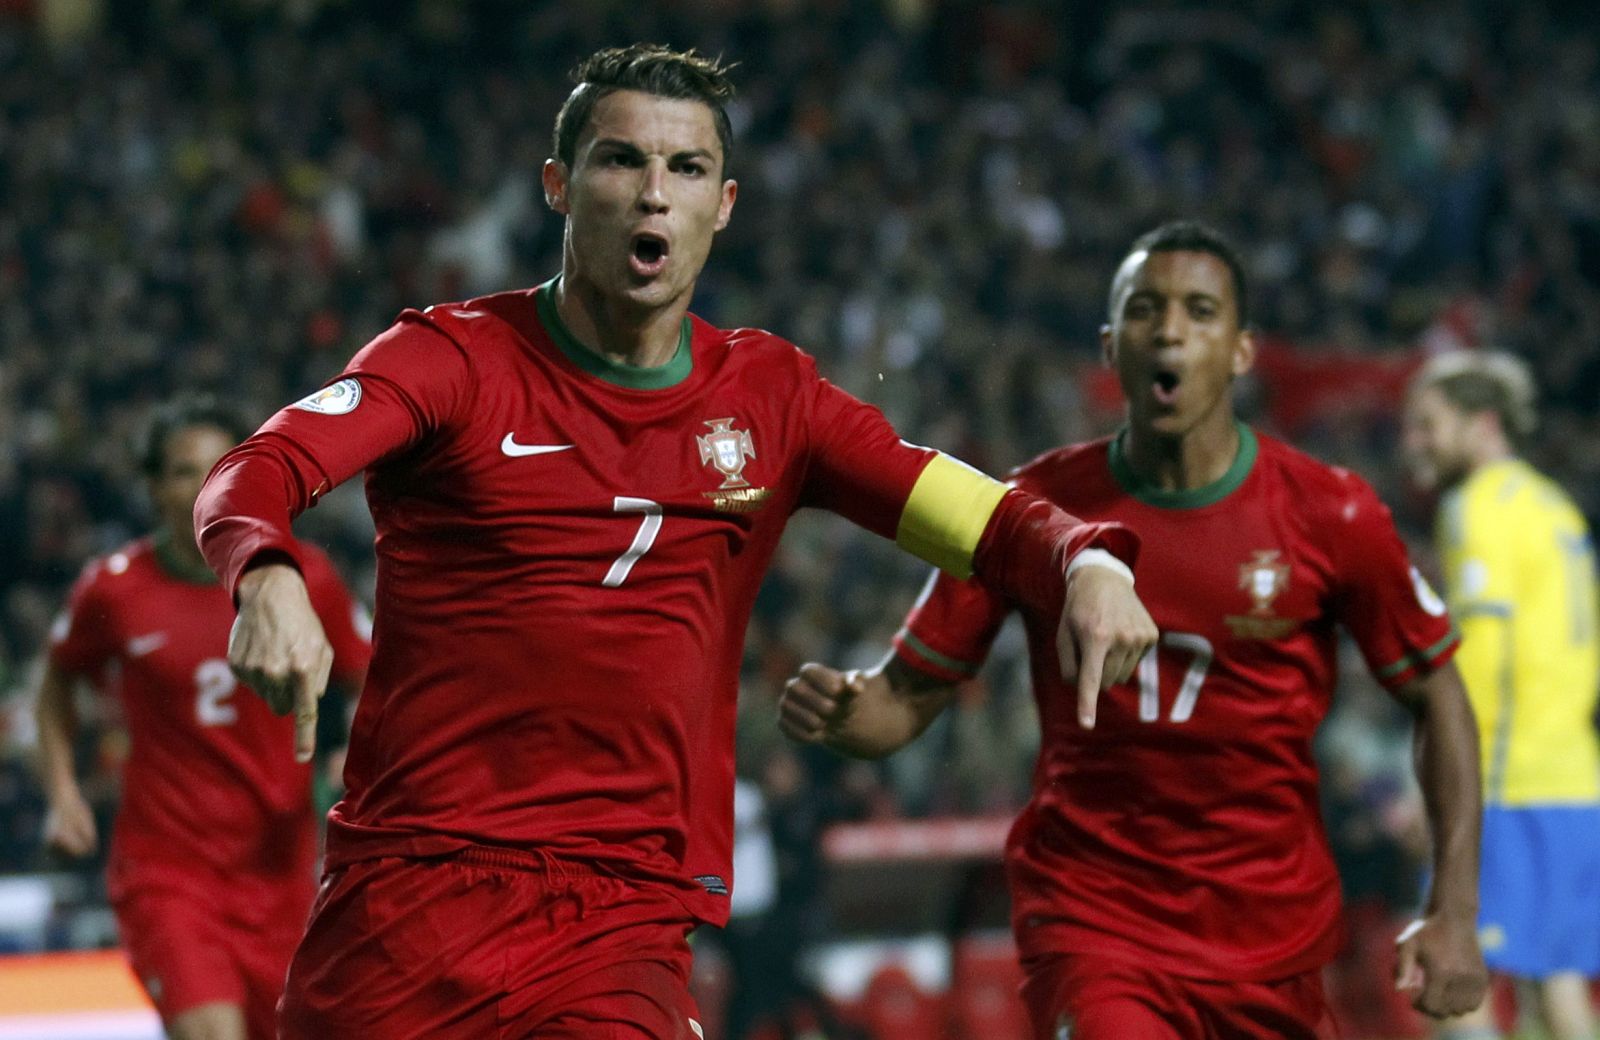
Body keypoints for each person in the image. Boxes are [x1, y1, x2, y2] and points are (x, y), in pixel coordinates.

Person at [191, 44, 1157, 1039]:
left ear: (723, 204)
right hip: (405, 905)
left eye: (686, 168)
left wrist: (1083, 559)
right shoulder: (453, 359)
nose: (655, 192)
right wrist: (266, 573)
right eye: (621, 160)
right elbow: (255, 469)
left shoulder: (773, 399)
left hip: (619, 920)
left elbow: (981, 516)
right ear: (559, 186)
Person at [780, 221, 1490, 1039]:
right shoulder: (1033, 512)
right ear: (1111, 347)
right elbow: (902, 700)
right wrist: (849, 714)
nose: (1171, 331)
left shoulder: (1331, 514)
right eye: (1147, 310)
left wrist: (1455, 909)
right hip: (1096, 924)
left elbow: (1439, 694)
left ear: (1243, 351)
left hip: (1271, 943)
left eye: (1199, 311)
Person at [35, 394, 371, 1040]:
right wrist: (62, 793)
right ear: (154, 488)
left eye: (223, 465)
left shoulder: (302, 578)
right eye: (185, 471)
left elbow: (373, 678)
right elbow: (56, 686)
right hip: (168, 871)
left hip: (281, 874)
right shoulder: (115, 588)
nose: (206, 484)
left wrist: (354, 751)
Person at [1403, 351, 1600, 1040]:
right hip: (1576, 780)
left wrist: (1443, 782)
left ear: (1482, 424)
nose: (1415, 443)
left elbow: (1480, 660)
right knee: (1561, 988)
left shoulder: (1477, 508)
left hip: (1505, 785)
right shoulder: (1556, 508)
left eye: (1428, 425)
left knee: (1452, 978)